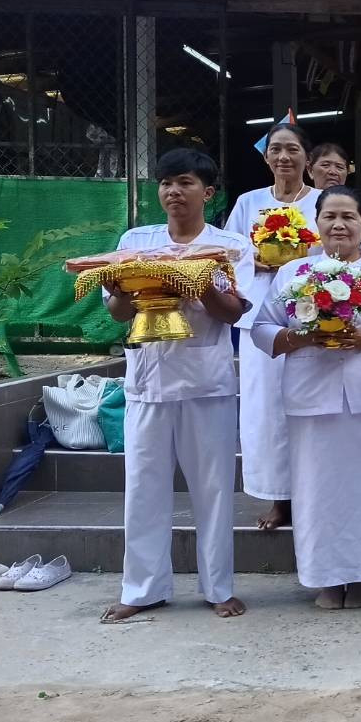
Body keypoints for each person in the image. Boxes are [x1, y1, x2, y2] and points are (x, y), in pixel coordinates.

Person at [99, 148, 252, 622]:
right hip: (148, 377)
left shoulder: (229, 245)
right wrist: (131, 287)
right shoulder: (136, 240)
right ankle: (142, 588)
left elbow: (235, 312)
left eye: (184, 182)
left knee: (213, 488)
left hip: (207, 380)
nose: (173, 191)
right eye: (166, 183)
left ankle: (218, 587)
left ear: (207, 192)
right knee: (143, 486)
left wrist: (194, 280)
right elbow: (117, 312)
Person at [253, 186, 361, 610]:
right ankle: (325, 577)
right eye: (330, 216)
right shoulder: (294, 274)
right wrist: (299, 335)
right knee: (317, 490)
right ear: (316, 222)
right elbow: (261, 328)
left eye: (349, 217)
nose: (339, 224)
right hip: (311, 397)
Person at [224, 121, 321, 532]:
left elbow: (345, 245)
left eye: (292, 150)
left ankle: (314, 492)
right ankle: (278, 498)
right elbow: (225, 255)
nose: (284, 157)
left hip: (310, 314)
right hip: (259, 317)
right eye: (276, 150)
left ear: (307, 158)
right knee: (266, 410)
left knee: (309, 407)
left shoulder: (322, 200)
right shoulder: (249, 202)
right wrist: (256, 261)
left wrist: (298, 259)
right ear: (266, 157)